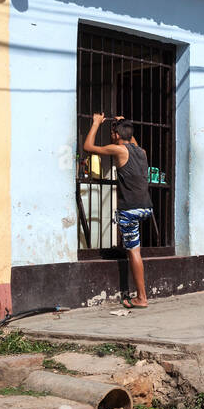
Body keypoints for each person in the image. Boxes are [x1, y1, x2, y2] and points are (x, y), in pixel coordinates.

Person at [83, 113, 152, 308]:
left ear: (115, 135)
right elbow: (131, 142)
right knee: (134, 248)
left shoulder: (119, 150)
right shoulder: (142, 151)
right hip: (145, 206)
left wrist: (96, 123)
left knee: (134, 252)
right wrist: (121, 124)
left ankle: (141, 298)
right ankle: (140, 295)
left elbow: (88, 147)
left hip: (130, 208)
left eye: (113, 132)